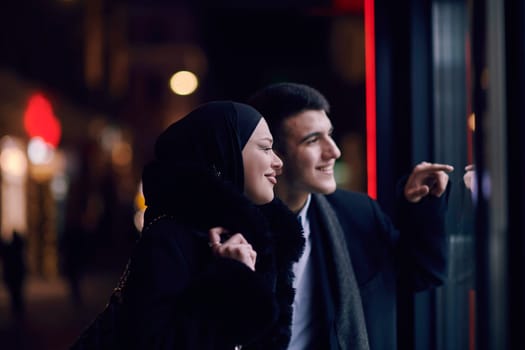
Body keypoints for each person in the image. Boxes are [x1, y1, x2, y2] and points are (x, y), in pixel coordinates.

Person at [247, 82, 454, 350]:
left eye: (329, 135)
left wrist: (422, 204)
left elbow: (422, 274)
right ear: (273, 154)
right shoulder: (230, 230)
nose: (334, 151)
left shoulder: (356, 213)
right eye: (312, 140)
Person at [118, 101, 305, 349]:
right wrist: (230, 278)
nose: (278, 161)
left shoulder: (264, 241)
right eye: (265, 148)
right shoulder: (169, 238)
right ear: (224, 154)